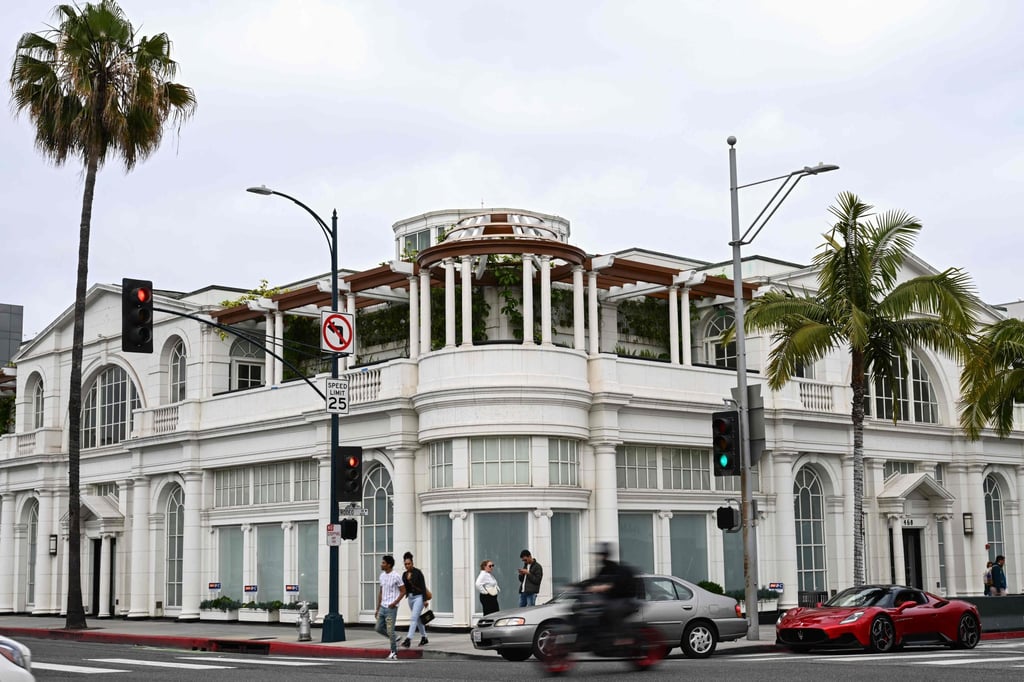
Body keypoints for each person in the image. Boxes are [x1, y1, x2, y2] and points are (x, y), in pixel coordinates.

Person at [583, 541, 641, 632]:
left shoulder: (619, 569)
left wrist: (604, 587)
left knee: (610, 610)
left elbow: (618, 583)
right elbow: (594, 580)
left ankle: (622, 637)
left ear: (607, 555)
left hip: (625, 601)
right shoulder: (604, 569)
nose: (598, 558)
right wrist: (576, 585)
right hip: (612, 600)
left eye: (601, 555)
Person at [374, 554, 405, 659]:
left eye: (383, 563)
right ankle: (396, 638)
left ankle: (394, 652)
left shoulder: (396, 576)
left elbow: (403, 591)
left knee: (390, 629)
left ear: (389, 564)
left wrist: (395, 602)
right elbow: (381, 592)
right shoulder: (382, 576)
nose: (381, 564)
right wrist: (377, 608)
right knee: (378, 628)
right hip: (383, 606)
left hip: (391, 607)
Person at [400, 551, 430, 648]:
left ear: (412, 563)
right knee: (417, 618)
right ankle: (424, 637)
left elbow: (422, 585)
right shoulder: (404, 575)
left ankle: (408, 639)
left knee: (413, 618)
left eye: (409, 564)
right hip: (411, 598)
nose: (407, 566)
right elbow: (405, 588)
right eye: (405, 564)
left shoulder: (418, 572)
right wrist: (407, 580)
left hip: (419, 597)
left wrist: (425, 600)